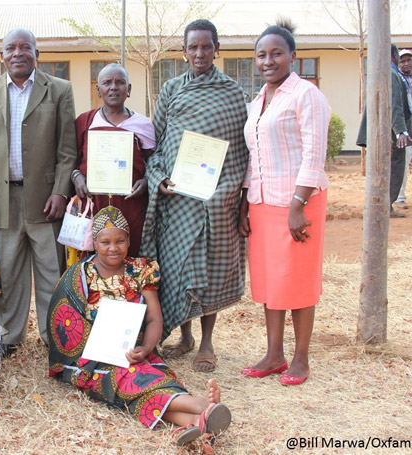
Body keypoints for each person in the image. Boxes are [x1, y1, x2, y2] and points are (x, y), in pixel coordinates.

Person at [47, 206, 231, 446]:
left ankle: (197, 422)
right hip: (93, 361)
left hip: (133, 351)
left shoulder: (140, 270)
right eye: (105, 242)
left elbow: (154, 318)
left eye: (120, 241)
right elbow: (65, 319)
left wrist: (145, 348)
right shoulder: (82, 274)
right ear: (94, 242)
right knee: (130, 377)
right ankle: (200, 406)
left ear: (129, 240)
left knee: (141, 375)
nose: (113, 248)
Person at [140, 19, 248, 372]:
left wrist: (226, 193)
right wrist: (159, 178)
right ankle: (184, 337)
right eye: (192, 47)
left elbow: (240, 152)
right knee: (176, 269)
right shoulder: (171, 90)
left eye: (206, 46)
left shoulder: (233, 93)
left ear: (217, 49)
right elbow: (156, 144)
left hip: (215, 201)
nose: (199, 53)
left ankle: (206, 343)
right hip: (177, 200)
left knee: (210, 270)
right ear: (183, 52)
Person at [0, 28, 77, 352]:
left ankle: (52, 336)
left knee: (49, 270)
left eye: (25, 47)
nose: (18, 53)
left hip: (45, 200)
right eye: (10, 48)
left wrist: (61, 191)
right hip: (1, 199)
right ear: (1, 56)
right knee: (10, 272)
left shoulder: (59, 90)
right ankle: (11, 337)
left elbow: (67, 149)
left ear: (36, 54)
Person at [238, 21, 331, 386]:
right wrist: (247, 204)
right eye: (261, 55)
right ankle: (273, 353)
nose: (268, 61)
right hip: (262, 203)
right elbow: (253, 157)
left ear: (293, 56)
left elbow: (314, 154)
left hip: (298, 205)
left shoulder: (306, 95)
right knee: (270, 281)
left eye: (276, 53)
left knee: (299, 281)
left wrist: (297, 205)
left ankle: (300, 358)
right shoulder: (258, 100)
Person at [71, 63, 155, 258]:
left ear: (129, 89)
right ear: (98, 90)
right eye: (107, 83)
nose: (114, 87)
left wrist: (146, 181)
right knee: (90, 261)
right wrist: (76, 177)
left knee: (130, 258)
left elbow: (154, 162)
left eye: (120, 82)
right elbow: (69, 161)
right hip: (93, 205)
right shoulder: (85, 122)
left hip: (131, 206)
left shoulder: (143, 125)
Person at [356, 44, 411, 218]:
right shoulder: (392, 75)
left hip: (381, 132)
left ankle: (382, 204)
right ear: (394, 56)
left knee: (383, 169)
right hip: (391, 134)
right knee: (395, 166)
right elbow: (395, 105)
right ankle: (387, 206)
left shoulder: (379, 74)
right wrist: (400, 130)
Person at [395, 49, 412, 208]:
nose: (406, 64)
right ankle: (399, 197)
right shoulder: (398, 80)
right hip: (406, 130)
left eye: (409, 60)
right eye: (402, 61)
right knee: (403, 163)